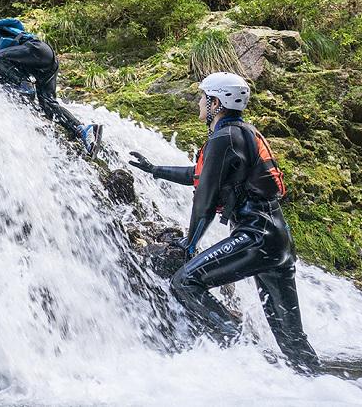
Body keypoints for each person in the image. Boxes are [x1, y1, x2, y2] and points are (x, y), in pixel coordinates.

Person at [128, 72, 320, 373]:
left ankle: (245, 354)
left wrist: (189, 244)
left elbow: (203, 200)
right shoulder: (243, 132)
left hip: (256, 237)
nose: (199, 104)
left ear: (216, 102)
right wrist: (155, 170)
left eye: (203, 98)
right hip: (277, 240)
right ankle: (319, 385)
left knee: (185, 281)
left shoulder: (222, 138)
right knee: (293, 341)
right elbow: (203, 175)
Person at [0, 12, 103, 157]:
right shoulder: (0, 45)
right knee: (48, 105)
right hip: (45, 62)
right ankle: (85, 131)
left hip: (36, 49)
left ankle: (25, 87)